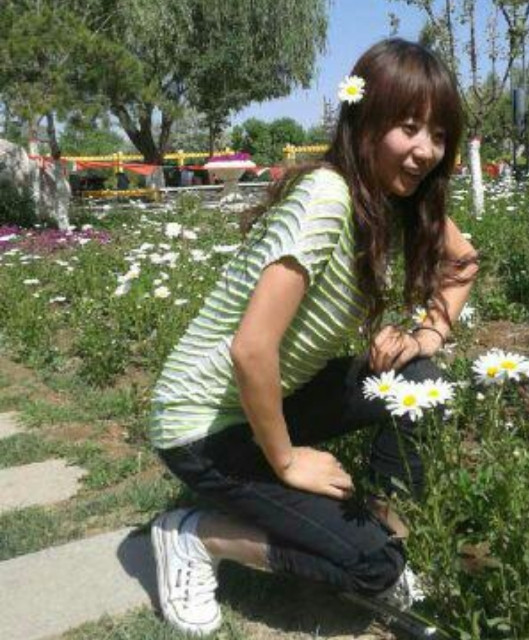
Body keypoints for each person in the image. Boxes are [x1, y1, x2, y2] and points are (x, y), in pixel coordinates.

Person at [149, 38, 478, 636]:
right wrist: (286, 459)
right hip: (203, 426)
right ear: (366, 119)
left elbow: (462, 264)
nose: (426, 150)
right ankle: (196, 535)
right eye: (409, 128)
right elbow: (250, 347)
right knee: (371, 567)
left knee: (419, 381)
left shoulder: (393, 198)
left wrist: (426, 336)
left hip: (272, 397)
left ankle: (383, 526)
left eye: (437, 134)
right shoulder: (326, 197)